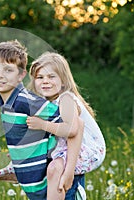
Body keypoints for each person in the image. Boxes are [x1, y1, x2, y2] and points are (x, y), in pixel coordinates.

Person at [0, 40, 84, 200]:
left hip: (59, 187)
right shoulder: (5, 103)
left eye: (8, 70)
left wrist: (68, 172)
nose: (0, 75)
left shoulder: (25, 101)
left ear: (21, 75)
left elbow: (75, 125)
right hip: (38, 188)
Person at [26, 51, 106, 200]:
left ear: (63, 81)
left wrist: (42, 124)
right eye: (40, 77)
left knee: (56, 171)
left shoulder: (66, 98)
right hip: (66, 149)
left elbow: (72, 129)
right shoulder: (46, 103)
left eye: (51, 76)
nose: (45, 81)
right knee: (51, 170)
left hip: (85, 149)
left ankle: (74, 192)